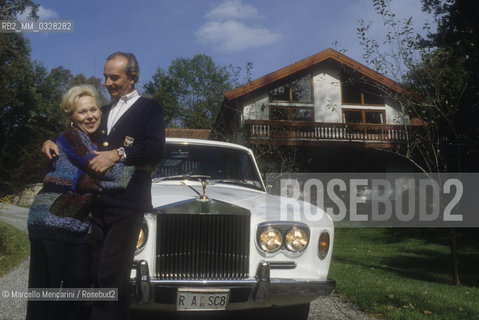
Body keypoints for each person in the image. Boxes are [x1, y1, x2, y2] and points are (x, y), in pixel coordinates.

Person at [43, 52, 165, 320]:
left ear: (132, 78)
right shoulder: (104, 111)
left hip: (128, 202)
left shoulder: (149, 108)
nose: (108, 83)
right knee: (94, 271)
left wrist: (117, 154)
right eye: (105, 77)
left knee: (112, 275)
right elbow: (79, 128)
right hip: (98, 202)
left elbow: (156, 148)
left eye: (114, 77)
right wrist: (51, 140)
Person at [28, 85, 135, 320]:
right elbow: (100, 171)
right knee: (46, 288)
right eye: (82, 112)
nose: (90, 116)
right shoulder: (71, 137)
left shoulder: (94, 140)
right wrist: (140, 163)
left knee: (77, 282)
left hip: (77, 224)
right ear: (71, 118)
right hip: (51, 218)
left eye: (94, 109)